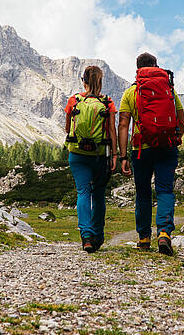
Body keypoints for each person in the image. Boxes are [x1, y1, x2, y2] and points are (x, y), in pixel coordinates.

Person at [118, 53, 184, 255]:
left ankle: (144, 238)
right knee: (165, 190)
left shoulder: (131, 92)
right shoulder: (169, 90)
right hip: (166, 147)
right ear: (156, 66)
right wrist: (175, 139)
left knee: (143, 193)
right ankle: (164, 233)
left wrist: (123, 156)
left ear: (137, 69)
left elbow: (123, 125)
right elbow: (182, 122)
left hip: (141, 150)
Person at [65, 65, 118, 253]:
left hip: (77, 154)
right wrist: (115, 155)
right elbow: (112, 131)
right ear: (101, 82)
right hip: (100, 155)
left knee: (83, 192)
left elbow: (67, 128)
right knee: (98, 194)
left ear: (83, 81)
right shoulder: (107, 102)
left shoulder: (74, 100)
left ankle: (85, 235)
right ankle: (98, 236)